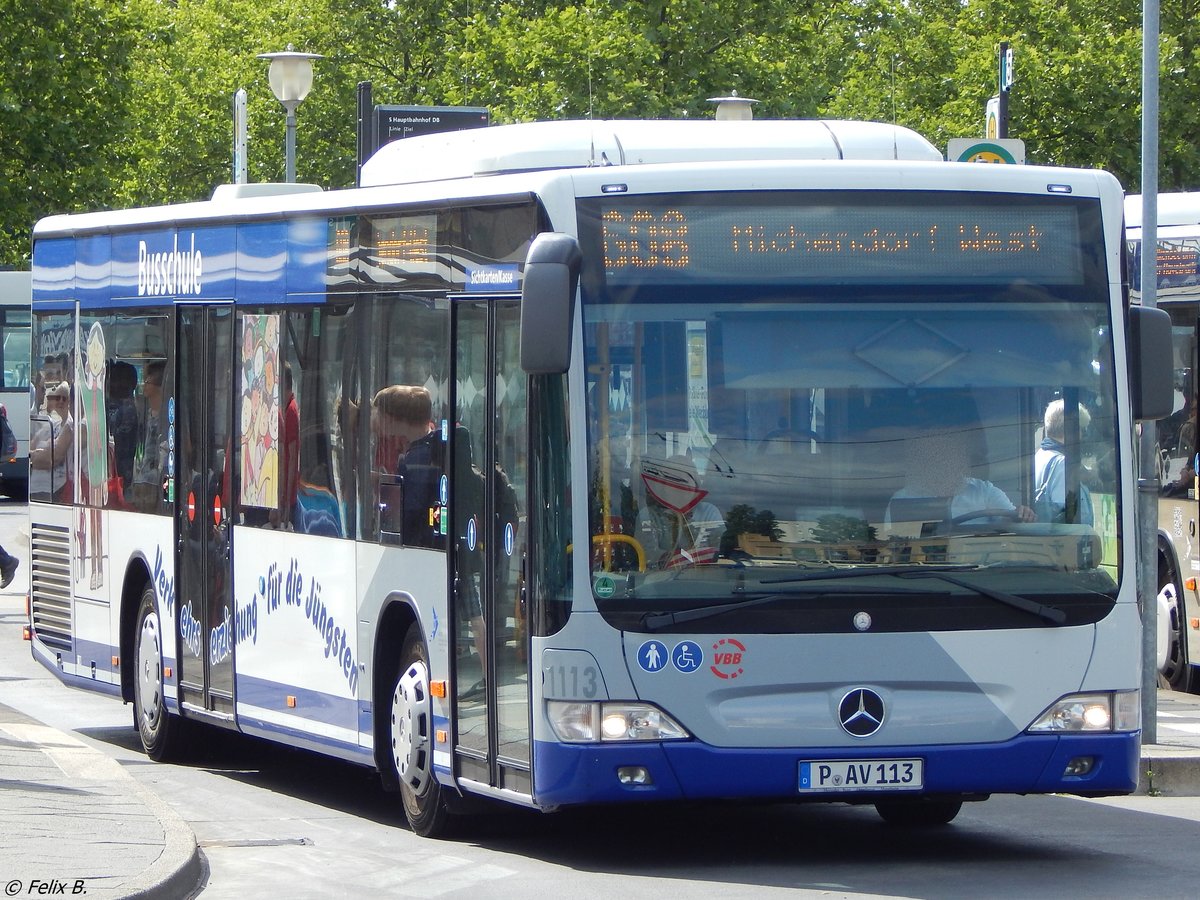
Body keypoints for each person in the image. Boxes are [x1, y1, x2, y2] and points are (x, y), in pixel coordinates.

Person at [888, 428, 1034, 529]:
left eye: (949, 456)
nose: (943, 462)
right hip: (919, 568)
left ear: (961, 459)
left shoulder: (985, 492)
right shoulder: (903, 497)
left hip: (982, 567)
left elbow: (1011, 521)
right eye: (935, 456)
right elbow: (888, 541)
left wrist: (1022, 515)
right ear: (925, 462)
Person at [1034, 399, 1095, 525]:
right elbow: (1067, 518)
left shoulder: (1040, 456)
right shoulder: (1062, 464)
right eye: (1082, 430)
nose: (1082, 436)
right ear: (1071, 430)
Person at [30, 381, 74, 503]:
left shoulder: (70, 426)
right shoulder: (51, 424)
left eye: (64, 398)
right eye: (56, 397)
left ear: (70, 401)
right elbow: (31, 447)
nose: (60, 401)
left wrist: (34, 457)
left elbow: (52, 459)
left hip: (52, 490)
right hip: (35, 488)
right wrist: (34, 455)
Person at [131, 361, 166, 511]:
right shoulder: (146, 413)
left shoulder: (166, 417)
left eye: (147, 381)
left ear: (159, 386)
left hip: (156, 481)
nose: (143, 385)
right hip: (142, 479)